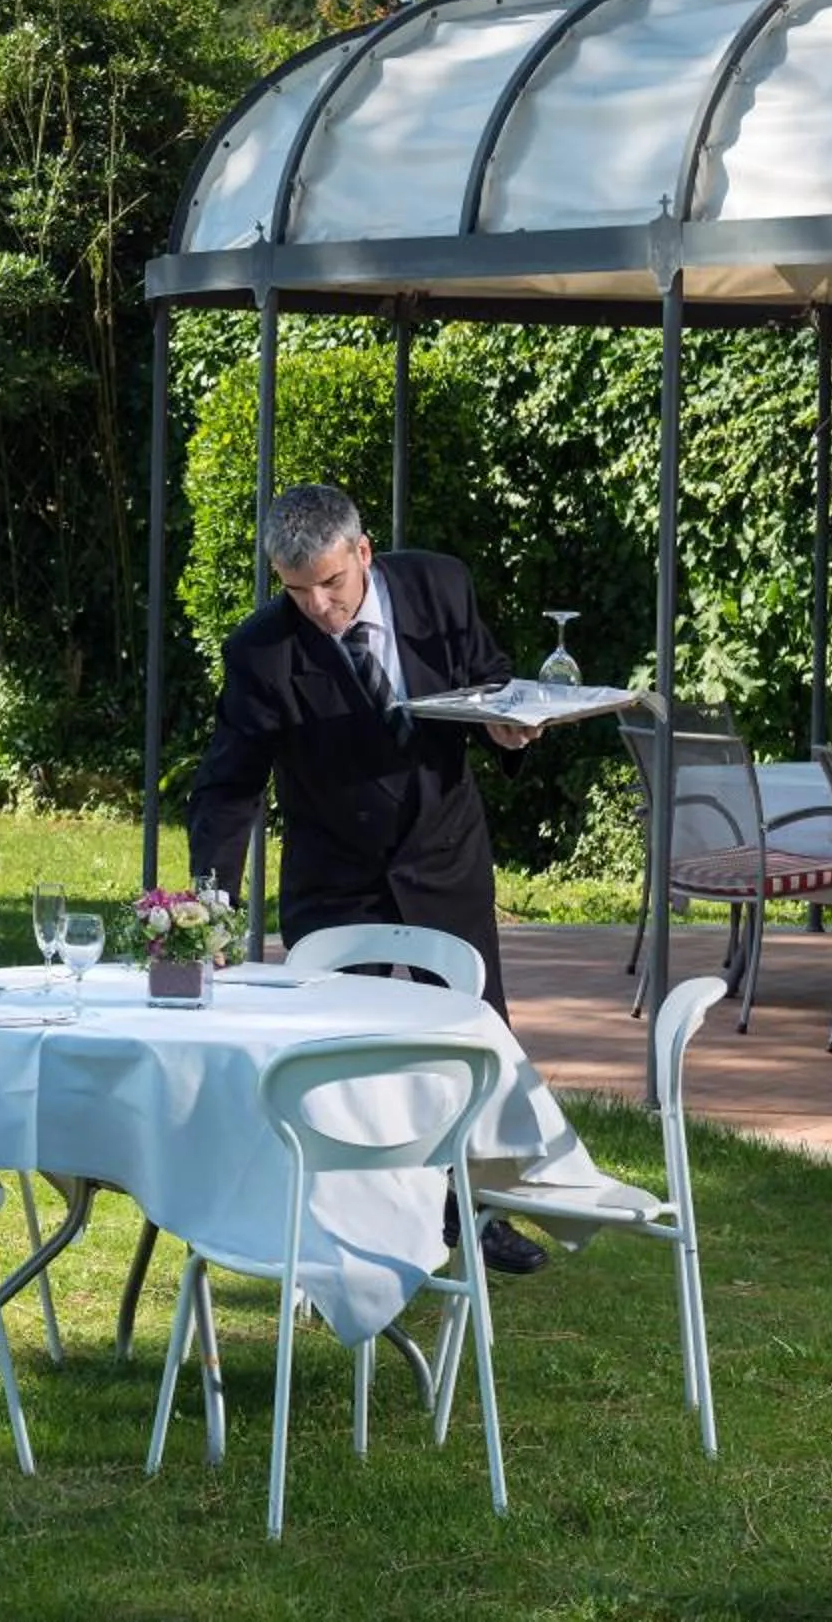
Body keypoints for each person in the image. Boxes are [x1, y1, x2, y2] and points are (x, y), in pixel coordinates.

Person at [185, 481, 548, 1275]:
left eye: (331, 583)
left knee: (467, 1043)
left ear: (362, 552)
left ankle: (475, 1215)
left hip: (442, 853)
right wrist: (209, 907)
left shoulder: (439, 586)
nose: (318, 605)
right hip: (335, 871)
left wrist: (508, 730)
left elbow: (491, 680)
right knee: (333, 1060)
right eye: (296, 589)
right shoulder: (261, 650)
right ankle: (334, 1224)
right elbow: (229, 785)